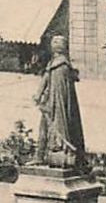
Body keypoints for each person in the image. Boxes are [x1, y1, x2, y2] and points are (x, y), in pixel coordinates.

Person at [34, 35, 87, 170]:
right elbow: (46, 78)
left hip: (56, 107)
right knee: (43, 129)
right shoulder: (54, 63)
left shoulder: (61, 66)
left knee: (57, 127)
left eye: (55, 42)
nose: (52, 44)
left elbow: (61, 94)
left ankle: (59, 152)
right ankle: (39, 156)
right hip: (49, 104)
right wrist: (39, 94)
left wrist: (44, 98)